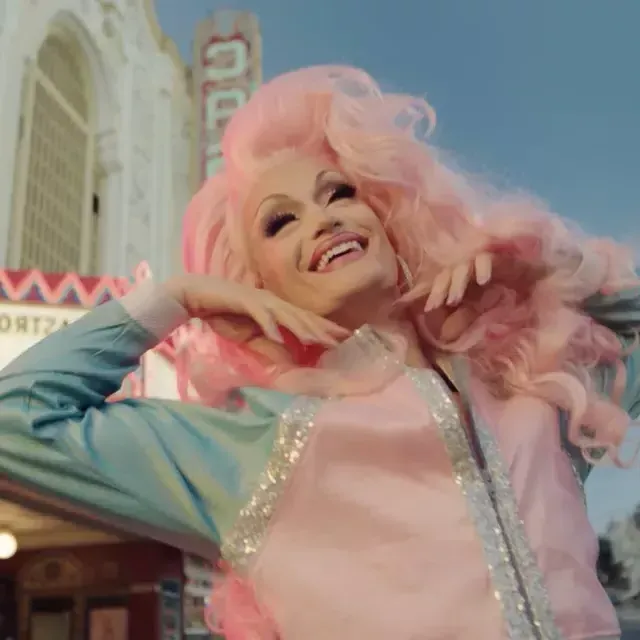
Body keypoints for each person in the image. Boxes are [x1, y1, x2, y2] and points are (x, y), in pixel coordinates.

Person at [0, 66, 638, 640]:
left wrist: (548, 266)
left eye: (339, 194)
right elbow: (14, 425)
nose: (324, 220)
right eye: (280, 222)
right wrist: (174, 297)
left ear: (390, 217)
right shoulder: (250, 446)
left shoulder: (531, 390)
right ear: (255, 284)